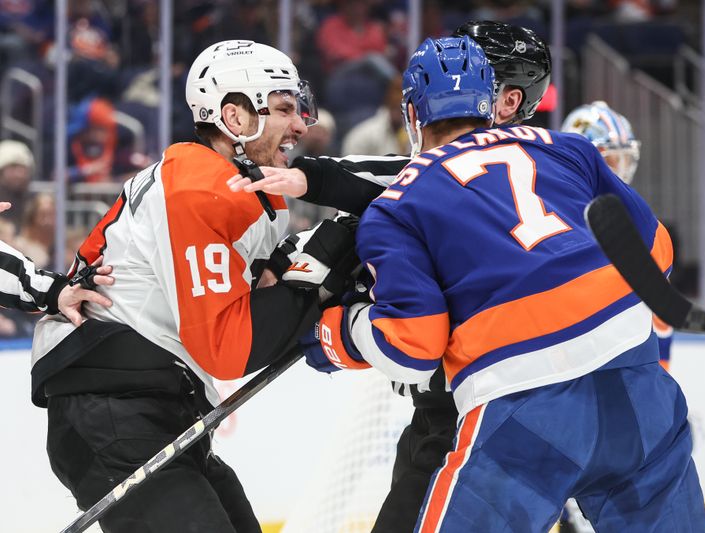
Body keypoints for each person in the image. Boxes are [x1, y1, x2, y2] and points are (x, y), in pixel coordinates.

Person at [301, 35, 705, 531]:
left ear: (411, 113)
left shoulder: (397, 205)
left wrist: (340, 332)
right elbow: (656, 255)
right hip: (638, 385)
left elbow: (412, 346)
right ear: (492, 100)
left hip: (524, 407)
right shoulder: (569, 148)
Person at [229, 21, 554, 533]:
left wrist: (340, 332)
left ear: (507, 101)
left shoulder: (464, 177)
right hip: (483, 406)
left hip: (480, 409)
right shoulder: (532, 169)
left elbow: (404, 183)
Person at [31, 40, 355, 533]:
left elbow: (264, 291)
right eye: (285, 108)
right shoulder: (199, 188)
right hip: (111, 412)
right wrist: (326, 265)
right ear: (235, 117)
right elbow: (228, 348)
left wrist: (314, 266)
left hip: (156, 406)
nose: (301, 124)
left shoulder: (237, 187)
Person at [561, 100, 674, 370]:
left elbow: (662, 324)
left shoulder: (638, 224)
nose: (620, 172)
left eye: (624, 160)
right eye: (610, 161)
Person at [0, 200, 114, 325]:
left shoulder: (60, 246)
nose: (47, 221)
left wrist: (57, 292)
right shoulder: (26, 246)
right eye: (43, 215)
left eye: (51, 215)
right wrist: (57, 292)